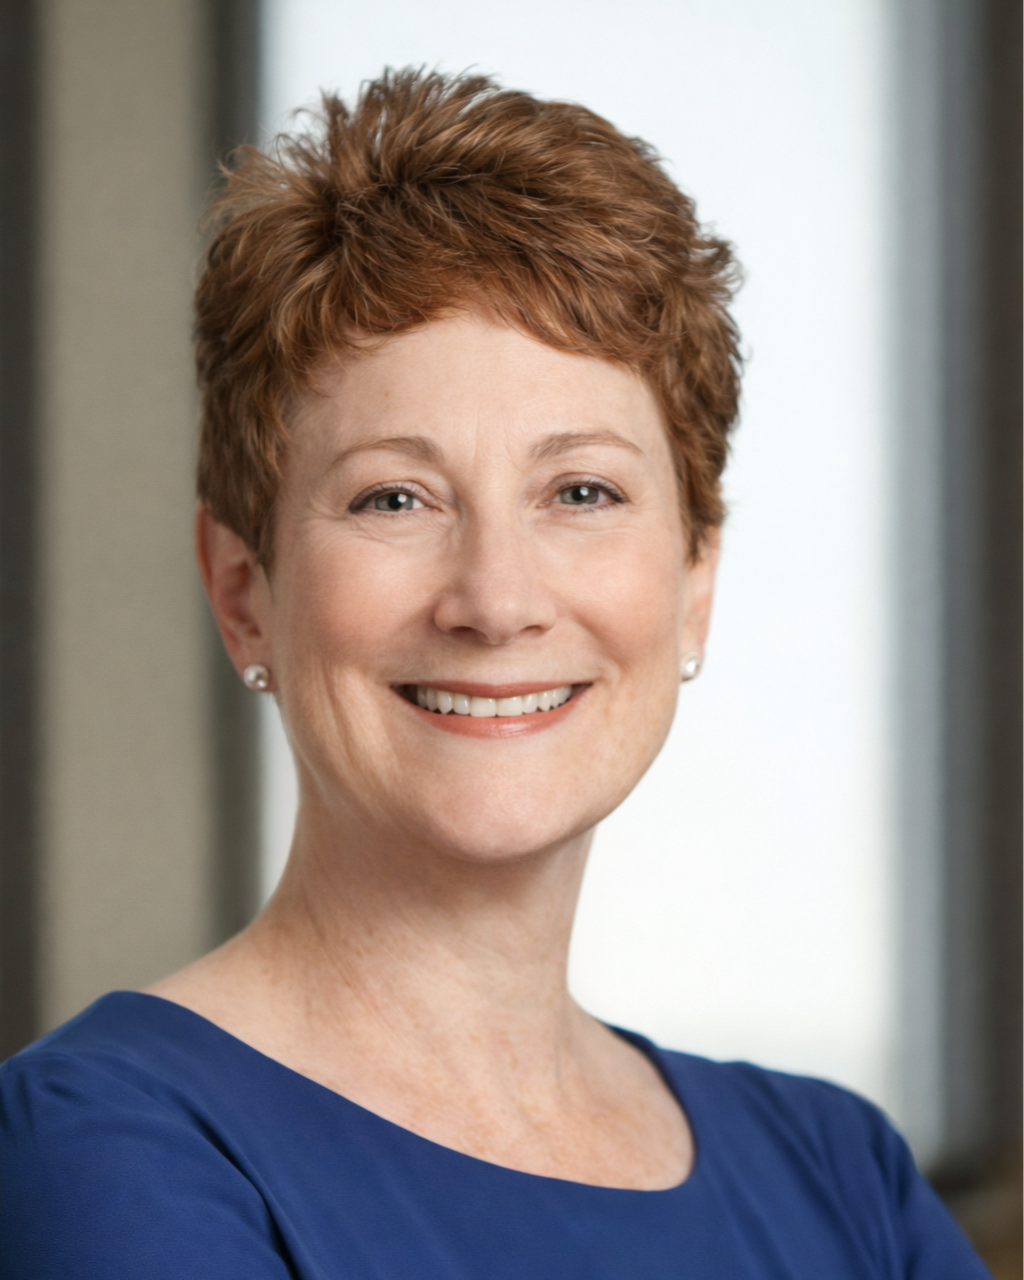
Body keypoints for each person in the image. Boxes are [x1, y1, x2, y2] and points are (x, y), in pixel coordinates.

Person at [0, 69, 989, 1279]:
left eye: (581, 491)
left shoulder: (838, 1176)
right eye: (394, 496)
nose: (497, 599)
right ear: (243, 589)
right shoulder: (104, 1149)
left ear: (693, 581)